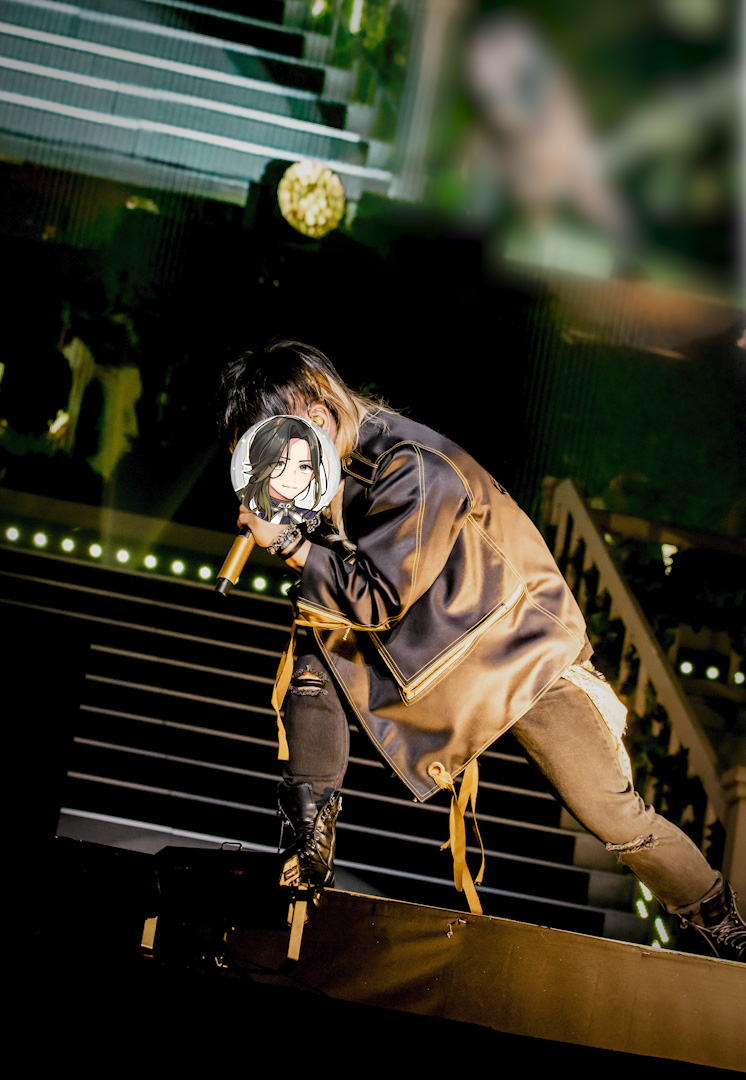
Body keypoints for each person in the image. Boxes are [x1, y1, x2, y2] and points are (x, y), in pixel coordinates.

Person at [215, 339, 745, 962]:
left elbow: (379, 595)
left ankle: (720, 920)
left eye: (278, 446)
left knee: (610, 812)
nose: (277, 471)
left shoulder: (412, 465)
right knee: (315, 627)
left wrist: (292, 547)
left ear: (317, 410)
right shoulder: (330, 475)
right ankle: (307, 842)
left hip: (517, 650)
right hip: (435, 644)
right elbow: (348, 590)